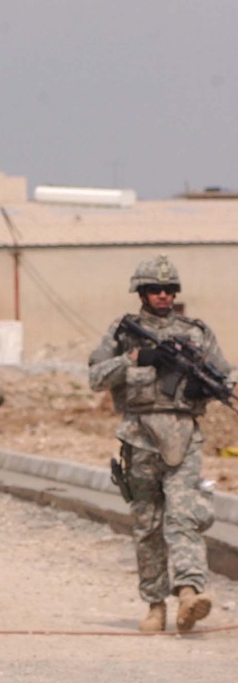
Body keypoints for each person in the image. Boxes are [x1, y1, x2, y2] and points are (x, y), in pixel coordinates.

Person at [89, 255, 232, 633]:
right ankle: (155, 605)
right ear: (141, 292)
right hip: (139, 438)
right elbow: (95, 376)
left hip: (184, 436)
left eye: (169, 290)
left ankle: (189, 593)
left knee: (184, 517)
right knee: (148, 525)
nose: (164, 296)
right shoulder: (124, 332)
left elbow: (225, 375)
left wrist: (209, 384)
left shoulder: (196, 333)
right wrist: (133, 359)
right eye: (155, 289)